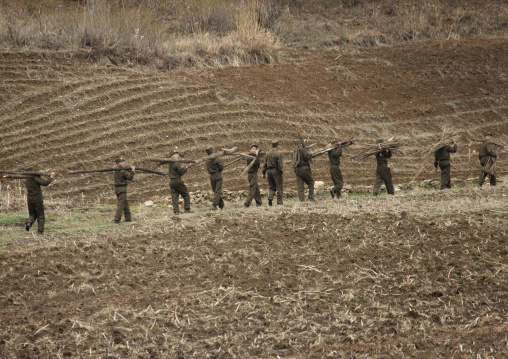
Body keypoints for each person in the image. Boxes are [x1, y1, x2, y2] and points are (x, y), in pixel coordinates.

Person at [24, 167, 55, 234]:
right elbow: (44, 183)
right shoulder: (35, 179)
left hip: (30, 200)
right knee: (41, 215)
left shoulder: (26, 180)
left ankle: (29, 223)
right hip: (37, 200)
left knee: (32, 215)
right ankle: (40, 231)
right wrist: (51, 177)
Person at [168, 150, 193, 215]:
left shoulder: (170, 163)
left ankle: (176, 211)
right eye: (176, 154)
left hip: (171, 181)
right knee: (186, 195)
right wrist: (186, 167)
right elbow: (181, 172)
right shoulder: (176, 163)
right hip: (177, 181)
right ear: (172, 156)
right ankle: (187, 209)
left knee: (174, 197)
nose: (177, 155)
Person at [113, 158, 135, 223]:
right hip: (122, 188)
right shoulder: (122, 171)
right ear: (118, 164)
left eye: (123, 162)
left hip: (117, 189)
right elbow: (130, 178)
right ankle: (117, 219)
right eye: (121, 162)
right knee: (121, 204)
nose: (123, 163)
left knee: (125, 203)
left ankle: (128, 218)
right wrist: (133, 171)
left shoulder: (116, 171)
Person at [262, 140, 284, 206]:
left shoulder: (267, 153)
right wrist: (281, 172)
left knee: (271, 187)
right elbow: (280, 165)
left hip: (269, 172)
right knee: (279, 187)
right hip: (276, 171)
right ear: (277, 146)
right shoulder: (279, 153)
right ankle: (279, 202)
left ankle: (270, 197)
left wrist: (264, 173)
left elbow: (265, 164)